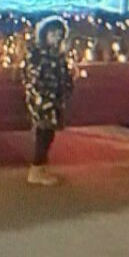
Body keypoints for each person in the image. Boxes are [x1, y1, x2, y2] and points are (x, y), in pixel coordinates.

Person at [23, 15, 75, 186]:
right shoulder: (38, 54)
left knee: (48, 134)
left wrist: (66, 89)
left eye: (59, 34)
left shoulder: (57, 55)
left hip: (54, 100)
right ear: (45, 34)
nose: (57, 38)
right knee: (43, 134)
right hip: (43, 101)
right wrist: (44, 96)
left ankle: (41, 167)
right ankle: (36, 170)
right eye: (53, 34)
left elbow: (65, 76)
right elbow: (33, 78)